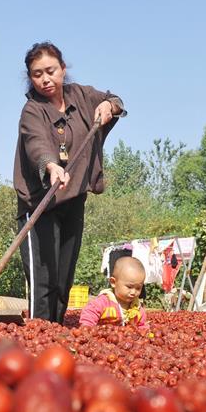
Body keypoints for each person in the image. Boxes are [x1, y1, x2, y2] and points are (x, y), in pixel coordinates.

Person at [13, 41, 126, 323]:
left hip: (73, 200)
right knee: (43, 279)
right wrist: (51, 165)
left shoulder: (82, 96)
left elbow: (116, 100)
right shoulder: (32, 110)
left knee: (64, 277)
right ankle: (39, 334)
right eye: (37, 74)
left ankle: (56, 333)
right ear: (31, 78)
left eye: (50, 70)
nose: (45, 79)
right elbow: (36, 142)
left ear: (63, 69)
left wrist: (108, 105)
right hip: (39, 205)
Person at [79, 256, 148, 330]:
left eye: (138, 288)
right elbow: (89, 314)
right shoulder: (103, 302)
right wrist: (87, 328)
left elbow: (142, 326)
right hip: (101, 337)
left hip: (126, 339)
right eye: (129, 287)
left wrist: (144, 333)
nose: (133, 292)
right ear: (113, 282)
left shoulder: (137, 307)